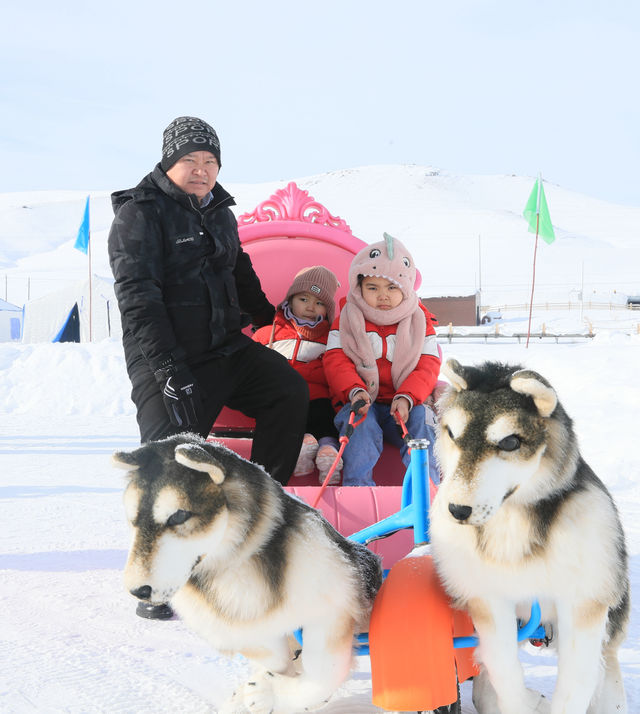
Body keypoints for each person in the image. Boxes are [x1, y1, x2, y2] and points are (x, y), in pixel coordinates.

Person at [108, 116, 308, 618]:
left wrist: (266, 314)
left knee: (288, 391)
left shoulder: (218, 208)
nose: (201, 171)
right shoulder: (139, 214)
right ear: (168, 163)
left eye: (210, 162)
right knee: (165, 467)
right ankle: (155, 585)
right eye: (190, 161)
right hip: (167, 357)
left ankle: (260, 521)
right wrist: (167, 369)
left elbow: (236, 266)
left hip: (225, 347)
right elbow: (137, 300)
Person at [323, 233, 441, 486]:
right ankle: (358, 489)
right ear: (359, 287)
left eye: (392, 287)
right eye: (373, 288)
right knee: (361, 423)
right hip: (361, 400)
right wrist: (354, 391)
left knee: (422, 421)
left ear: (406, 287)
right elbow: (335, 360)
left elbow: (428, 365)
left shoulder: (419, 320)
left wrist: (407, 397)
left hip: (406, 404)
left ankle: (426, 490)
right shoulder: (347, 316)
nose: (383, 296)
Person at [253, 266, 342, 484]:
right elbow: (252, 368)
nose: (311, 307)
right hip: (283, 399)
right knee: (286, 415)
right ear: (290, 300)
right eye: (304, 299)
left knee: (323, 412)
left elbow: (337, 369)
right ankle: (302, 448)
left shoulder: (332, 338)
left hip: (318, 398)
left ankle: (328, 450)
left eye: (319, 303)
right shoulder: (267, 334)